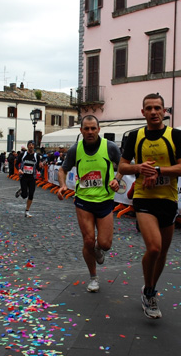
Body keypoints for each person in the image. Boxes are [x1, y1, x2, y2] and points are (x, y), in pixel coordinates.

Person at [118, 93, 181, 319]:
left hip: (168, 198)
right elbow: (122, 165)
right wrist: (140, 168)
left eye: (157, 108)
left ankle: (149, 288)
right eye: (149, 108)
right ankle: (150, 293)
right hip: (144, 197)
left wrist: (158, 171)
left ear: (164, 111)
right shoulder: (135, 136)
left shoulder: (175, 135)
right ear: (143, 112)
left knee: (162, 252)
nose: (153, 112)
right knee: (155, 247)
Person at [56, 115, 122, 293]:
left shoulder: (109, 147)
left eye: (93, 128)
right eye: (87, 129)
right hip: (83, 200)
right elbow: (63, 169)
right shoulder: (75, 149)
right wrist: (62, 185)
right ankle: (93, 277)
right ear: (81, 131)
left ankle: (99, 249)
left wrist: (117, 179)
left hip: (105, 200)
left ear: (99, 129)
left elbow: (123, 164)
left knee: (105, 244)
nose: (90, 132)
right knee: (88, 240)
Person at [15, 140, 43, 217]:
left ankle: (27, 211)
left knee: (31, 194)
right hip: (23, 177)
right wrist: (19, 169)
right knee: (24, 195)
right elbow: (16, 164)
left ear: (34, 147)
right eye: (29, 145)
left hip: (32, 178)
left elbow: (37, 167)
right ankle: (22, 191)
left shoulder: (36, 156)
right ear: (27, 146)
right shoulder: (23, 154)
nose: (31, 146)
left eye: (32, 145)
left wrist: (40, 167)